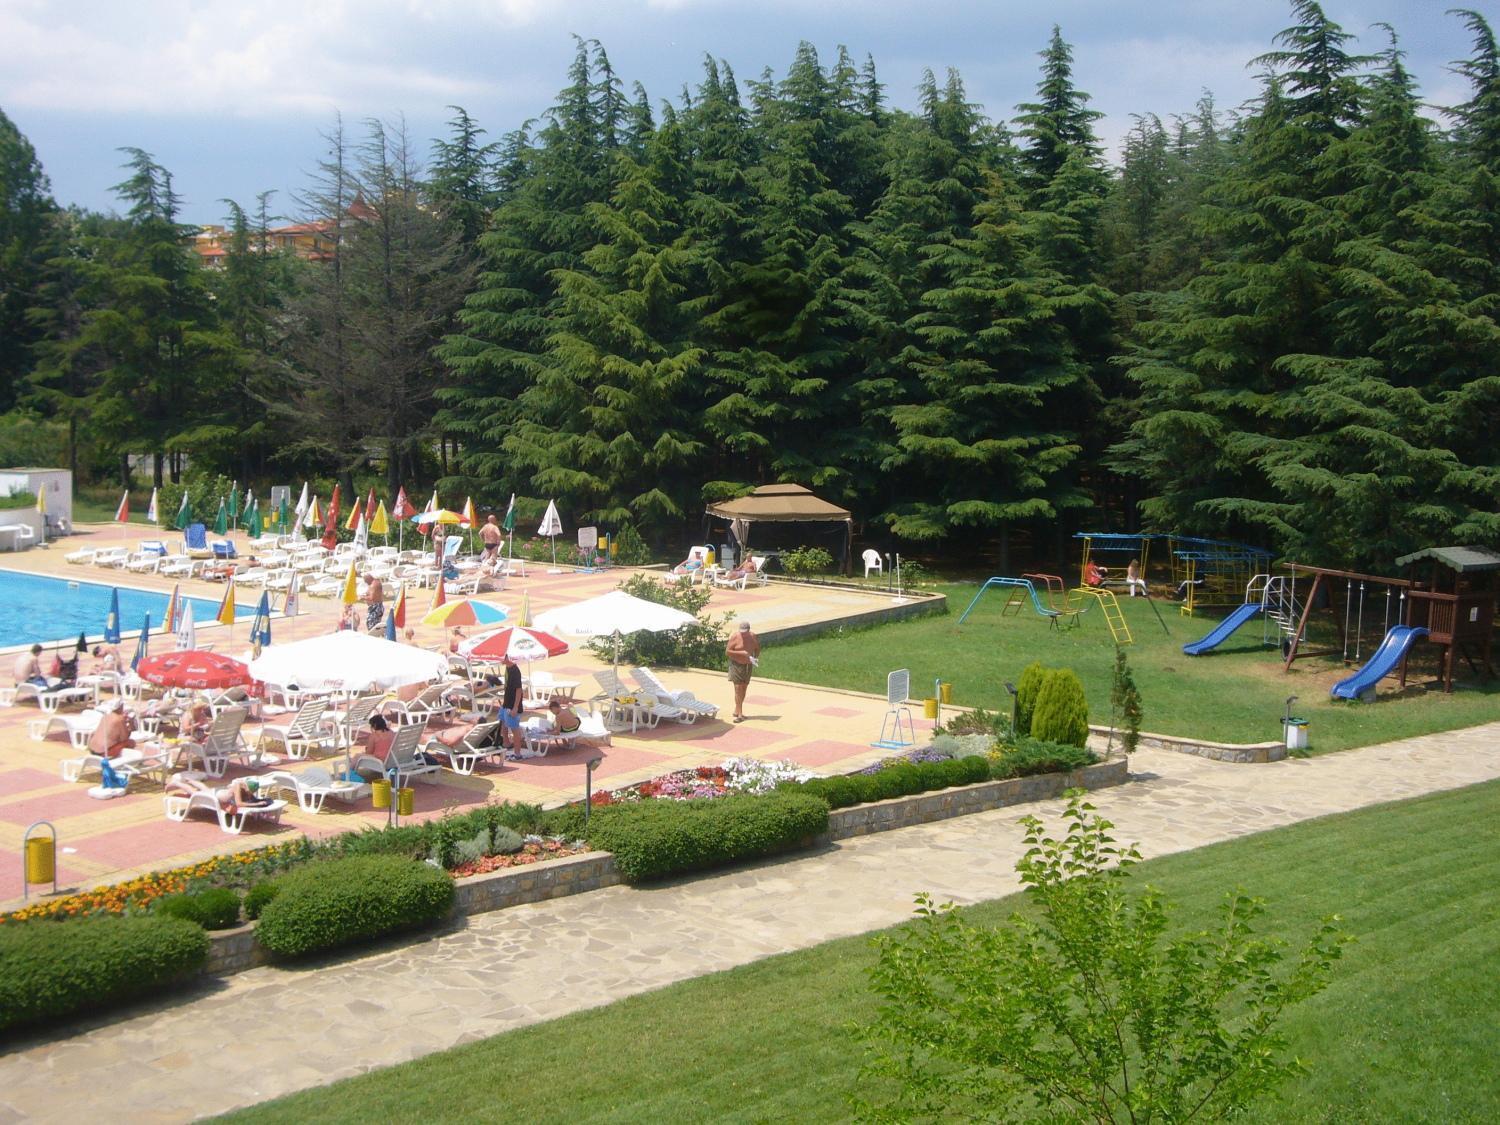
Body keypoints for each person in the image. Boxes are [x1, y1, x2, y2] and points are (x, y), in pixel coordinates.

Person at [725, 620, 760, 723]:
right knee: (738, 688)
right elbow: (727, 652)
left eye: (745, 632)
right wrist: (741, 653)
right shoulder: (735, 636)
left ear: (749, 631)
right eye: (741, 632)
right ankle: (740, 715)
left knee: (744, 688)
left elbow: (757, 648)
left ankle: (737, 709)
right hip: (737, 664)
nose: (743, 634)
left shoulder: (753, 636)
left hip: (748, 665)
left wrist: (755, 658)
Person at [498, 655, 525, 751]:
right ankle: (506, 743)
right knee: (502, 721)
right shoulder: (507, 668)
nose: (500, 659)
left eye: (502, 657)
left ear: (507, 658)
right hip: (506, 703)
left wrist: (515, 707)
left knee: (514, 729)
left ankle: (517, 753)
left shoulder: (515, 671)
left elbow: (519, 690)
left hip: (512, 705)